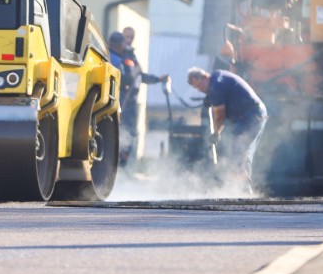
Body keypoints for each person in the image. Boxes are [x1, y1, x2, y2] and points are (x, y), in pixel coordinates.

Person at [187, 66, 267, 194]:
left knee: (238, 147)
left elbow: (219, 115)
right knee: (241, 150)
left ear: (204, 77)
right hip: (254, 114)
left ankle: (242, 190)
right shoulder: (219, 79)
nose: (201, 90)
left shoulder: (215, 85)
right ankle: (242, 189)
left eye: (200, 86)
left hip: (251, 115)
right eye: (198, 89)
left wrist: (216, 133)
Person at [108, 30, 169, 168]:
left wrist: (157, 79)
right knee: (122, 133)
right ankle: (117, 166)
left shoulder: (129, 56)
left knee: (129, 133)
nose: (128, 41)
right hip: (122, 101)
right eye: (126, 38)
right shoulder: (116, 58)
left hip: (130, 102)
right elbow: (129, 77)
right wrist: (134, 72)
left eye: (131, 37)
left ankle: (122, 165)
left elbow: (139, 76)